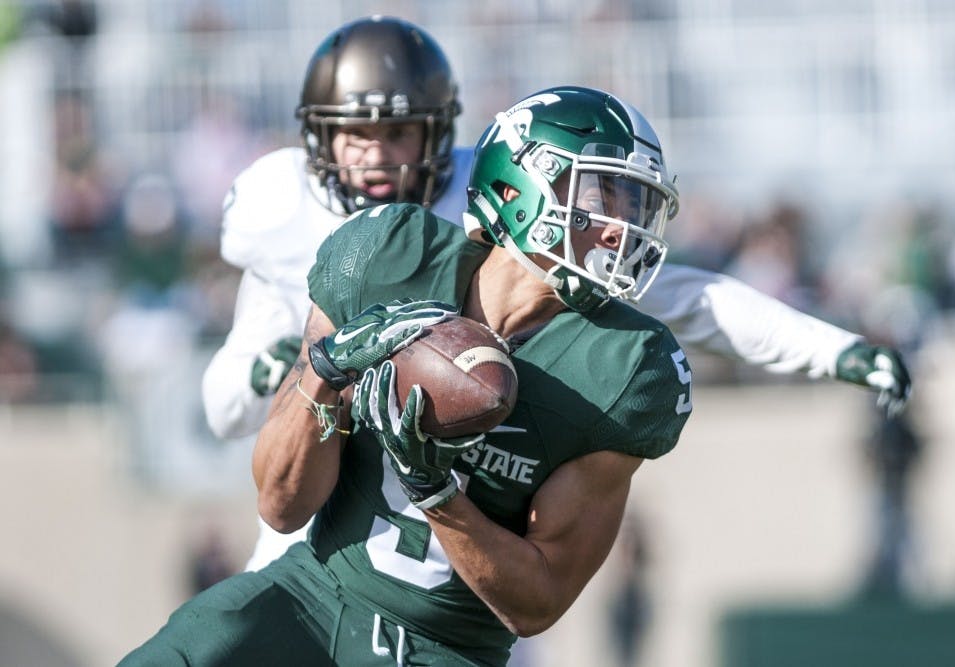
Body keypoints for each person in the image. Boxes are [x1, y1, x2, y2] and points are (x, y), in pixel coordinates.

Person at [203, 15, 911, 572]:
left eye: (400, 132)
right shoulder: (275, 206)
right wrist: (287, 367)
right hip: (333, 478)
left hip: (456, 487)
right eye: (359, 133)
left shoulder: (480, 204)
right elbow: (224, 405)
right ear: (318, 136)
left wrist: (835, 348)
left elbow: (688, 297)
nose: (379, 155)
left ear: (441, 134)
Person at [124, 84, 693, 667]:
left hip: (446, 649)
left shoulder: (626, 366)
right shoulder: (390, 254)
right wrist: (329, 368)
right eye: (607, 195)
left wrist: (436, 492)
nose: (621, 228)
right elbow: (281, 504)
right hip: (310, 597)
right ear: (518, 186)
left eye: (637, 205)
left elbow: (538, 603)